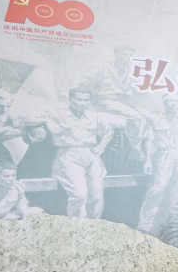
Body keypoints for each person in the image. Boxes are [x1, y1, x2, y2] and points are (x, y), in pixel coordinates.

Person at [29, 87, 114, 219]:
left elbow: (109, 131)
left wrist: (102, 146)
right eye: (79, 99)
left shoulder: (94, 116)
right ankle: (76, 224)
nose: (83, 103)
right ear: (71, 99)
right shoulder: (58, 114)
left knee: (96, 196)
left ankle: (93, 225)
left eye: (86, 100)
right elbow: (27, 119)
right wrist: (46, 121)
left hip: (92, 154)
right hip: (69, 155)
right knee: (79, 195)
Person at [136, 93, 178, 233]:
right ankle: (144, 226)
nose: (173, 104)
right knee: (157, 188)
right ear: (164, 103)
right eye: (170, 101)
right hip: (163, 155)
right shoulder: (156, 120)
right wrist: (147, 160)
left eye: (176, 101)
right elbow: (149, 141)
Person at [80, 44, 147, 160]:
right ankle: (135, 149)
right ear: (117, 54)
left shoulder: (131, 71)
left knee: (148, 118)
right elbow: (85, 82)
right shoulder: (103, 67)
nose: (128, 57)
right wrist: (88, 103)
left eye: (130, 55)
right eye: (125, 54)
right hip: (106, 100)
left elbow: (138, 89)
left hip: (124, 103)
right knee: (136, 117)